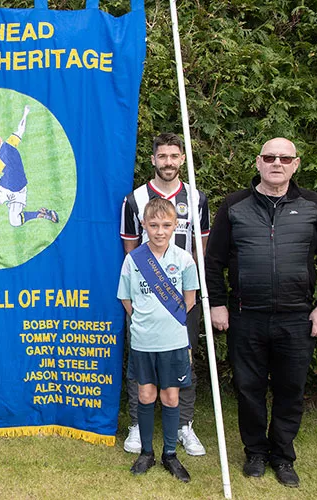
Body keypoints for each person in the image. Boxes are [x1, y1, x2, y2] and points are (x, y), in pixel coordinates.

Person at [205, 137, 317, 488]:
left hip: (297, 318)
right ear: (258, 162)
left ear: (296, 164)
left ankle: (282, 456)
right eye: (269, 157)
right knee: (248, 388)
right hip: (245, 316)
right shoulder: (234, 206)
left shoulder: (314, 206)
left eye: (284, 158)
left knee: (290, 389)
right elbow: (214, 260)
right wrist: (217, 303)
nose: (276, 163)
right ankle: (254, 452)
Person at [119, 133, 209, 456]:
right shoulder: (135, 199)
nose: (168, 162)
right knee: (139, 359)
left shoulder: (197, 199)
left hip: (181, 297)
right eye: (163, 156)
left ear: (182, 159)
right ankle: (135, 425)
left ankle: (184, 424)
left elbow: (201, 248)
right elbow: (130, 248)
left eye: (174, 156)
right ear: (153, 159)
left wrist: (186, 289)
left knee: (184, 358)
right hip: (144, 297)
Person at [117, 197, 200, 483]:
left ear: (175, 226)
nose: (160, 231)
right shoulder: (134, 259)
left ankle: (170, 454)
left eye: (166, 225)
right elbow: (127, 299)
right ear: (144, 226)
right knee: (145, 395)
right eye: (153, 225)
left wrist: (167, 320)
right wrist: (144, 321)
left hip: (174, 342)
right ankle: (147, 452)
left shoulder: (184, 259)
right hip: (143, 341)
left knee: (170, 396)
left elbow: (189, 300)